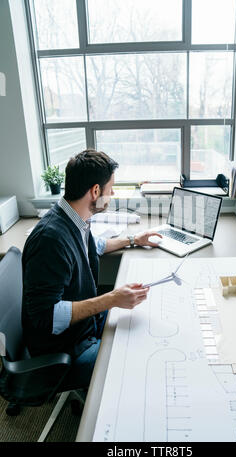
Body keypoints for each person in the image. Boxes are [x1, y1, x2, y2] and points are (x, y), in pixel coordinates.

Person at [22, 149, 162, 390]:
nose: (113, 194)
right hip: (64, 348)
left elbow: (93, 247)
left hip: (85, 326)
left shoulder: (75, 217)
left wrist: (132, 240)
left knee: (140, 322)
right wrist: (112, 299)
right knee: (133, 358)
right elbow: (47, 317)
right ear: (95, 191)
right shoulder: (51, 240)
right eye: (111, 189)